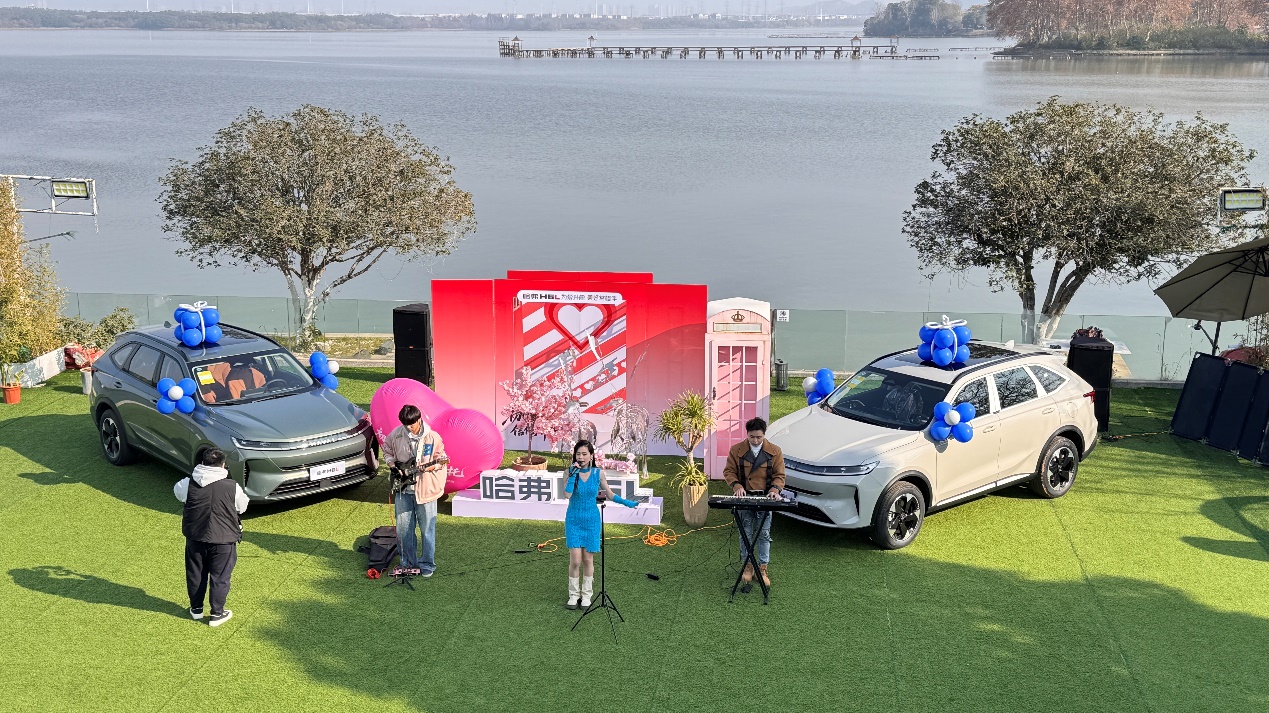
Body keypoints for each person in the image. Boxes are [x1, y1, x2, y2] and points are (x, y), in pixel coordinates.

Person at [174, 449, 248, 627]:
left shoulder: (187, 483)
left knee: (195, 574)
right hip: (223, 540)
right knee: (220, 577)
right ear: (223, 465)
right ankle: (217, 614)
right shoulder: (232, 486)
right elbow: (242, 507)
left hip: (195, 538)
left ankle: (196, 609)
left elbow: (178, 493)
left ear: (202, 463)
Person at [562, 440, 634, 609]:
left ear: (591, 455)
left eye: (584, 454)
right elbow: (567, 494)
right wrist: (573, 475)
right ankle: (573, 595)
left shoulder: (598, 473)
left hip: (592, 521)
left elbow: (609, 493)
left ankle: (586, 595)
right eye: (578, 454)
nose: (581, 457)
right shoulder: (568, 472)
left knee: (588, 559)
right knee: (575, 561)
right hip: (573, 520)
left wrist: (626, 502)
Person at [383, 404, 447, 577]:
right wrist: (392, 465)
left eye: (411, 424)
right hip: (403, 490)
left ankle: (427, 563)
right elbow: (387, 450)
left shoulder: (433, 437)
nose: (409, 428)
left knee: (427, 529)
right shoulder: (396, 434)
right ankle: (407, 563)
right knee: (403, 529)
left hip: (426, 490)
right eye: (405, 425)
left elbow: (441, 459)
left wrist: (432, 467)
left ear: (419, 419)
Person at [722, 417, 786, 589]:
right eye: (752, 437)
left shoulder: (775, 451)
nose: (755, 441)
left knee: (764, 534)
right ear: (747, 434)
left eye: (759, 437)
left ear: (764, 435)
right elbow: (729, 471)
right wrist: (736, 486)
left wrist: (775, 489)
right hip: (745, 498)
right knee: (745, 533)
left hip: (765, 499)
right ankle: (748, 566)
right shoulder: (736, 450)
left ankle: (763, 569)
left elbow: (780, 475)